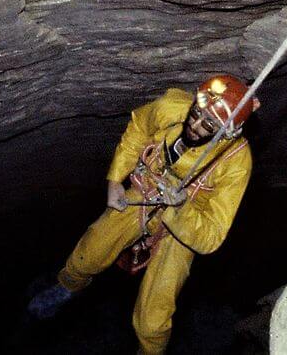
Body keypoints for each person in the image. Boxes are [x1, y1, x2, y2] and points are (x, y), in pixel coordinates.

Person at [28, 74, 260, 354]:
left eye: (208, 125)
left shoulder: (236, 163)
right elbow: (139, 127)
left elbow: (211, 236)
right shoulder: (172, 106)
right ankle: (65, 288)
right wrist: (115, 179)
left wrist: (180, 209)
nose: (195, 125)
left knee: (153, 320)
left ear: (227, 133)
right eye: (196, 114)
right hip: (149, 188)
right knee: (90, 252)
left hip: (186, 223)